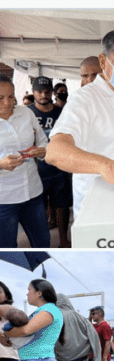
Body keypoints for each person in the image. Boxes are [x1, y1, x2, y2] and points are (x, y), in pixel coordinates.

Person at [46, 29, 114, 217]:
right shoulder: (85, 98)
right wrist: (106, 165)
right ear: (103, 61)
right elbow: (55, 152)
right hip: (101, 213)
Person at [0, 75, 50, 248]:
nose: (7, 103)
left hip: (33, 192)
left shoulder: (26, 113)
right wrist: (1, 164)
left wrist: (42, 150)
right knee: (7, 251)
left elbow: (43, 140)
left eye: (11, 96)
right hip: (4, 199)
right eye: (0, 98)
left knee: (43, 243)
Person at [28, 76, 71, 248]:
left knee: (62, 205)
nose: (44, 95)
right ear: (33, 92)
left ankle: (63, 240)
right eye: (39, 92)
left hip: (59, 167)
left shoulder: (61, 112)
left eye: (47, 92)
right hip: (36, 169)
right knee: (38, 209)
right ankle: (42, 246)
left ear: (52, 93)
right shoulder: (27, 113)